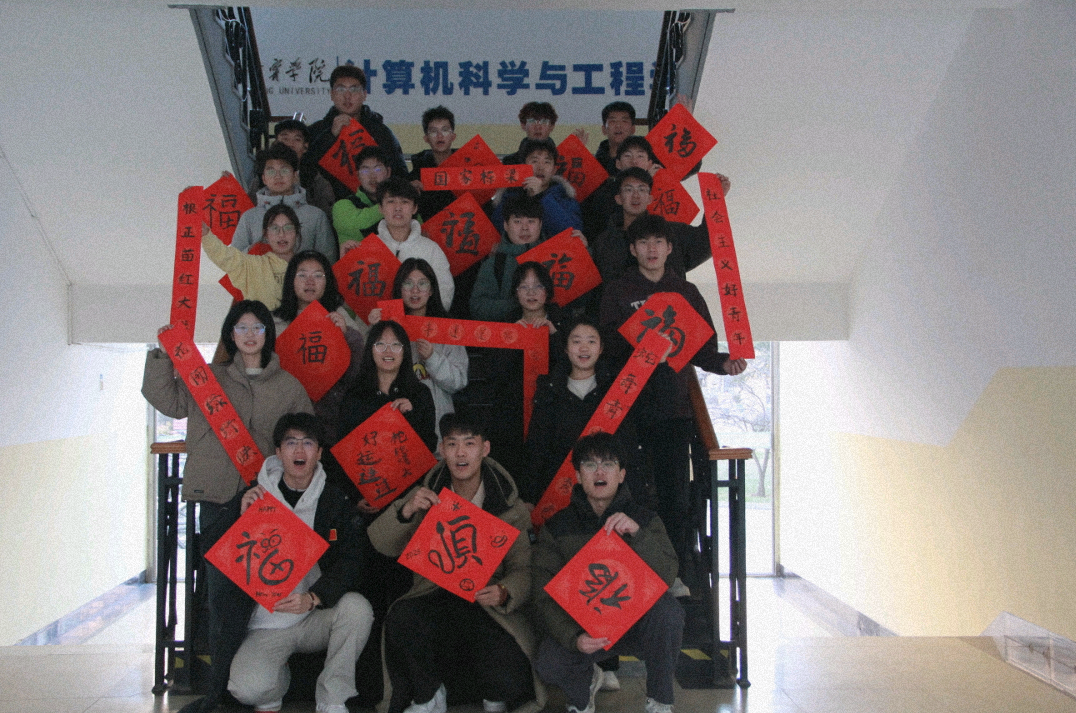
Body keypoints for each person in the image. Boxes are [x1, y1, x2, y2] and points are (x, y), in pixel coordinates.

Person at [143, 302, 313, 713]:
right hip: (218, 497)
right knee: (221, 599)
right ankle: (217, 695)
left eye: (258, 327)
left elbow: (305, 439)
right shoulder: (209, 378)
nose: (250, 335)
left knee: (262, 597)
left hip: (268, 502)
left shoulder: (289, 386)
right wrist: (164, 353)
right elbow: (165, 398)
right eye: (241, 327)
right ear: (230, 334)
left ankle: (249, 687)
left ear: (268, 334)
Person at [599, 214, 747, 593]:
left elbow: (703, 347)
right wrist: (642, 345)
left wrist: (723, 363)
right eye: (643, 243)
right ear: (632, 249)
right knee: (628, 494)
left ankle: (672, 575)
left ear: (669, 248)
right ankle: (629, 574)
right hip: (628, 406)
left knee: (674, 495)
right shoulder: (618, 290)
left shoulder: (686, 292)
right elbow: (605, 346)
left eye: (658, 243)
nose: (651, 250)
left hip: (673, 409)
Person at [369, 413, 543, 713]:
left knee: (504, 656)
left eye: (469, 444)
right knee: (402, 616)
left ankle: (495, 694)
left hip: (485, 603)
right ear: (442, 449)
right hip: (433, 595)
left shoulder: (508, 505)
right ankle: (428, 695)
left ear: (485, 449)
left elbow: (523, 568)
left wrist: (504, 591)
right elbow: (381, 543)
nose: (461, 453)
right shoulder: (427, 494)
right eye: (452, 444)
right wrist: (406, 510)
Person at [219, 413, 374, 713]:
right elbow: (211, 547)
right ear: (278, 452)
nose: (299, 451)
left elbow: (353, 559)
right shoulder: (255, 495)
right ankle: (275, 685)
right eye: (291, 443)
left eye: (308, 443)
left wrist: (314, 597)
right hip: (267, 623)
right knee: (246, 689)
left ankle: (332, 697)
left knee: (357, 609)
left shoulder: (334, 499)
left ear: (319, 453)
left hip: (313, 614)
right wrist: (238, 517)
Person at [531, 432, 683, 713]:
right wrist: (573, 637)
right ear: (578, 476)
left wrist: (637, 534)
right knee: (549, 663)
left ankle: (660, 699)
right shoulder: (558, 527)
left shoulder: (644, 519)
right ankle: (584, 689)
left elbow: (667, 575)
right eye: (590, 465)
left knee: (668, 612)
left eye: (609, 464)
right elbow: (542, 593)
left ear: (622, 474)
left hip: (636, 624)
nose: (599, 472)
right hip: (586, 628)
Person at [337, 319, 438, 706]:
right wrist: (355, 497)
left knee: (403, 603)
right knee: (369, 602)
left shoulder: (420, 394)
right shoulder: (355, 396)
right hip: (366, 514)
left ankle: (410, 691)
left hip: (405, 515)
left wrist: (411, 415)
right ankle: (370, 691)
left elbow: (427, 452)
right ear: (370, 351)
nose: (389, 351)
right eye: (380, 344)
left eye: (396, 345)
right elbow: (342, 453)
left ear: (406, 352)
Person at [273, 250, 366, 448]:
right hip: (288, 421)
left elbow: (358, 378)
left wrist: (345, 337)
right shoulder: (276, 324)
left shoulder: (343, 321)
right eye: (302, 275)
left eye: (318, 275)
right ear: (291, 281)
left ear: (327, 282)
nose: (310, 282)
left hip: (335, 427)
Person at [369, 258, 468, 443]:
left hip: (437, 425)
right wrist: (375, 331)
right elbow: (369, 374)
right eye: (408, 283)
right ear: (399, 289)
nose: (415, 290)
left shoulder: (447, 329)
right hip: (393, 425)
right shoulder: (387, 327)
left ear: (431, 290)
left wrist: (432, 358)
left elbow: (459, 381)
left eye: (422, 283)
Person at [590, 167, 712, 289]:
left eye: (642, 189)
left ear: (650, 198)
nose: (636, 195)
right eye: (629, 190)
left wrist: (715, 199)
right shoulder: (603, 243)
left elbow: (709, 240)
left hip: (669, 300)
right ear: (618, 198)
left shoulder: (672, 232)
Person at [305, 65, 408, 200]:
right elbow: (305, 171)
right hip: (327, 206)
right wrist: (330, 136)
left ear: (364, 94)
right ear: (332, 94)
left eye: (354, 89)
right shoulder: (316, 131)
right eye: (341, 89)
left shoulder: (380, 132)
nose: (347, 96)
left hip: (375, 205)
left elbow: (400, 174)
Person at [229, 143, 337, 262]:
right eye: (271, 171)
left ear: (295, 175)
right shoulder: (249, 217)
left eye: (284, 170)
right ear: (264, 178)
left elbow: (328, 260)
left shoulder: (316, 215)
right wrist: (253, 250)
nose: (278, 176)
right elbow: (233, 260)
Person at [369, 177, 455, 308]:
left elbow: (445, 290)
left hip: (419, 319)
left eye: (405, 202)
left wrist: (421, 316)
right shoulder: (369, 247)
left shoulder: (431, 249)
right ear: (380, 208)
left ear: (414, 208)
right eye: (391, 201)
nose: (398, 208)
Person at [201, 204, 299, 310]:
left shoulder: (308, 265)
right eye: (274, 228)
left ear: (297, 232)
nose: (281, 234)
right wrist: (206, 235)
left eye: (288, 228)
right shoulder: (252, 266)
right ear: (265, 234)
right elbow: (225, 256)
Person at [470, 193, 546, 322]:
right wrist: (521, 302)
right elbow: (478, 308)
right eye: (517, 221)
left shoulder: (557, 255)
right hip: (509, 332)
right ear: (505, 225)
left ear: (540, 224)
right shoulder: (495, 262)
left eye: (531, 221)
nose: (525, 228)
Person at [491, 138, 584, 241]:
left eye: (547, 162)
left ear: (554, 170)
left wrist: (542, 196)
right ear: (523, 166)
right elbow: (497, 230)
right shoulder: (510, 195)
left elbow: (572, 234)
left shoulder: (565, 197)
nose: (540, 167)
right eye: (534, 161)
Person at [272, 118, 337, 217]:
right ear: (275, 143)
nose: (290, 144)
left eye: (297, 139)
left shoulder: (315, 178)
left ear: (305, 147)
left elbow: (325, 214)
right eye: (285, 138)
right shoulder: (262, 175)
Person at [333, 146, 392, 251]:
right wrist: (392, 204)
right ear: (358, 175)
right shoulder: (342, 205)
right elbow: (358, 226)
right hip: (358, 261)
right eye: (365, 171)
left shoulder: (402, 202)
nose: (372, 176)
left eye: (378, 169)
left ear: (388, 172)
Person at [408, 105, 460, 220]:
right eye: (433, 131)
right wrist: (408, 192)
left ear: (453, 136)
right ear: (426, 138)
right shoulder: (417, 173)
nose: (439, 136)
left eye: (445, 130)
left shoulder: (468, 166)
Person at [502, 101, 559, 165]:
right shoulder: (509, 162)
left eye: (544, 121)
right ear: (523, 125)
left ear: (552, 126)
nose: (538, 127)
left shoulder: (560, 162)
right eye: (532, 121)